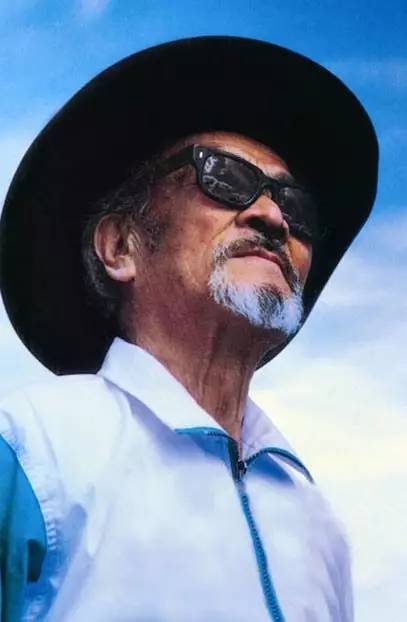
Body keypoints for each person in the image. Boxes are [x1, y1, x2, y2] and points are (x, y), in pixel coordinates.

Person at [0, 37, 378, 621]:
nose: (273, 216)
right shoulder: (30, 446)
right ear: (120, 246)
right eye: (224, 176)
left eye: (296, 207)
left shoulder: (318, 525)